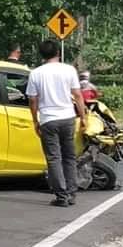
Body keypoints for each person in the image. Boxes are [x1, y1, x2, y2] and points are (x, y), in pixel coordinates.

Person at [25, 39, 87, 207]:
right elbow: (77, 95)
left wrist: (35, 120)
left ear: (42, 55)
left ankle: (61, 196)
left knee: (53, 158)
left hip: (48, 120)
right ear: (58, 53)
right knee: (69, 156)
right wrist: (83, 117)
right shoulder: (69, 70)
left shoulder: (36, 73)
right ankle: (72, 193)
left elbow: (32, 99)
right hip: (67, 118)